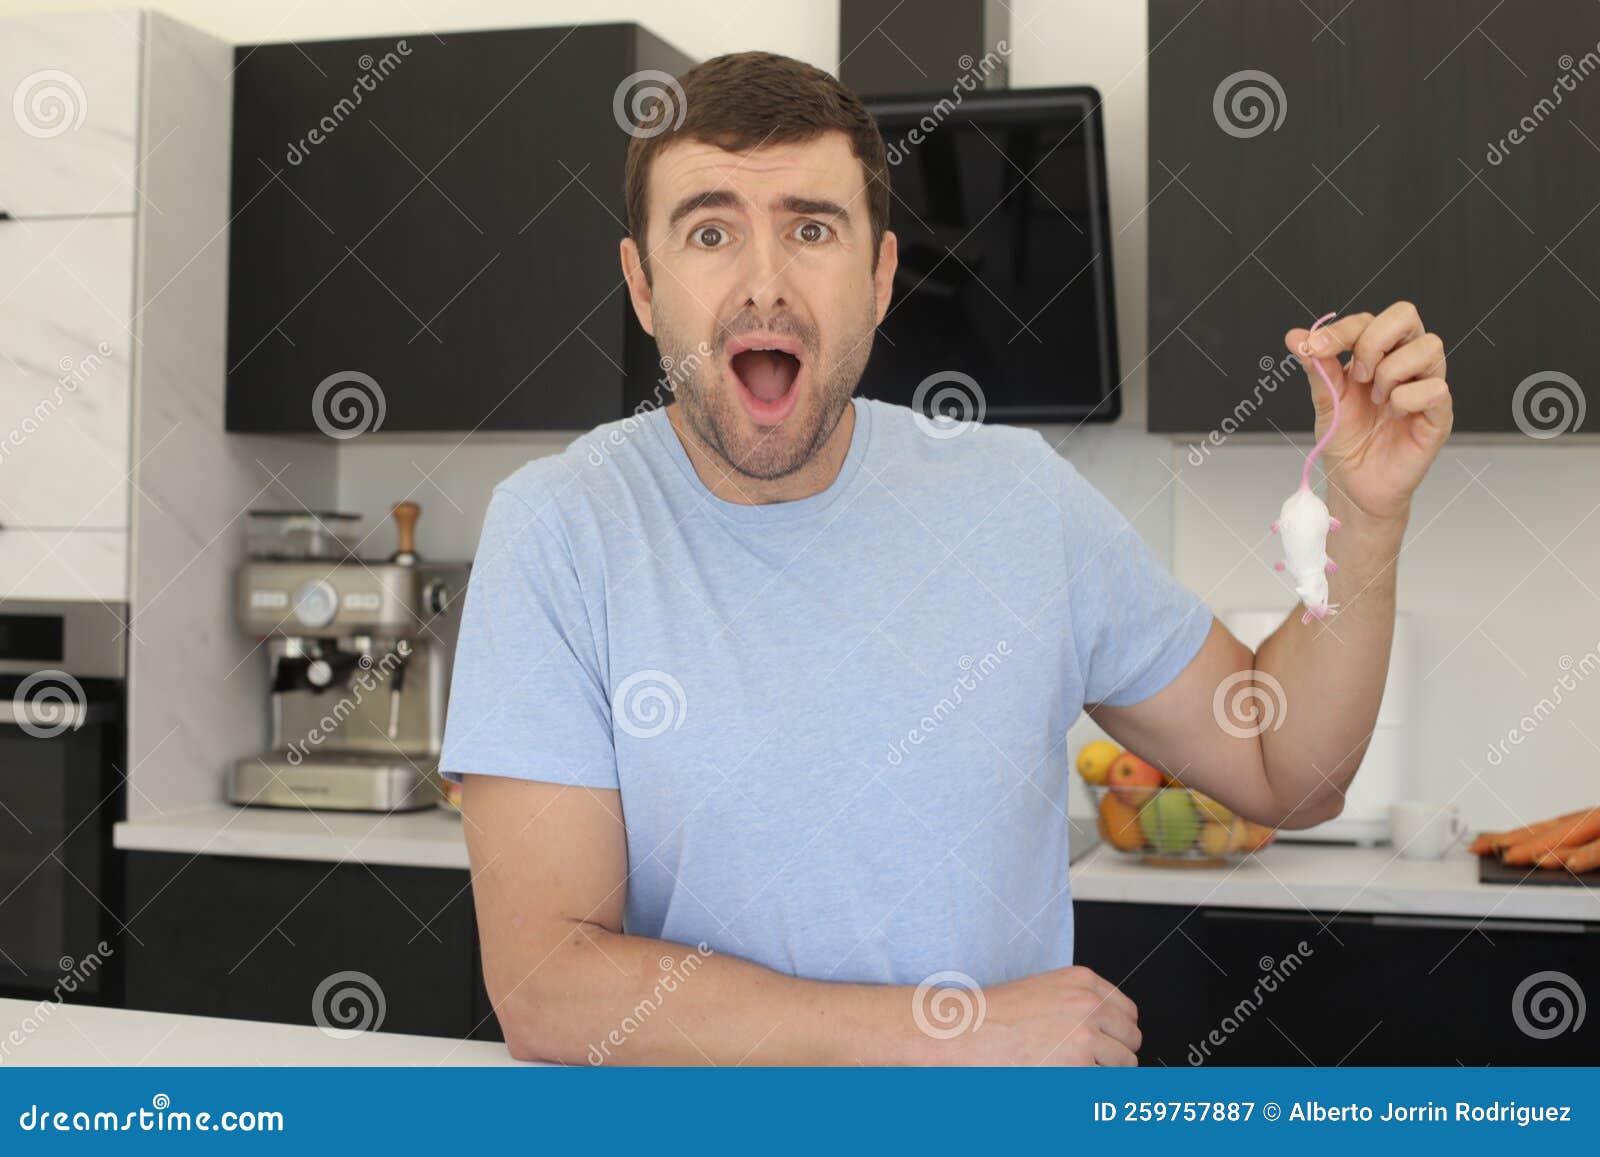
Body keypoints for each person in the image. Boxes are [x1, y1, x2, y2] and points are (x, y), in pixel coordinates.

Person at [439, 51, 1453, 1066]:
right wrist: (941, 1033)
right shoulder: (560, 530)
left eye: (810, 228)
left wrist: (1365, 523)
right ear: (644, 286)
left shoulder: (1023, 498)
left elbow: (1289, 769)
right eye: (709, 232)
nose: (763, 282)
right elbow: (549, 987)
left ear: (879, 276)